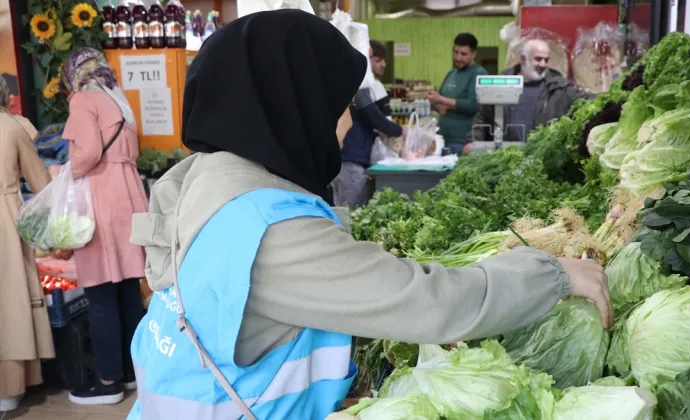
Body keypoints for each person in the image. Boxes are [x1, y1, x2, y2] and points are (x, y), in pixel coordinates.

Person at [128, 10, 612, 420]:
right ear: (294, 107)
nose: (345, 123)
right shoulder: (267, 231)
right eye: (339, 106)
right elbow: (430, 303)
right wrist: (552, 274)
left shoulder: (205, 180)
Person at [59, 48, 148, 405]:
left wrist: (66, 172)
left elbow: (87, 152)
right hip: (128, 196)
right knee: (127, 289)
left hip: (100, 199)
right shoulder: (118, 99)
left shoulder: (83, 99)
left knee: (99, 293)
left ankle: (108, 380)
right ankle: (130, 371)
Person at [0, 77, 55, 413]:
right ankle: (10, 386)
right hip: (6, 218)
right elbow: (41, 184)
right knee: (10, 300)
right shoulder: (12, 128)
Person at [466, 39, 593, 150]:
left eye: (546, 60)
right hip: (505, 159)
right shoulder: (503, 82)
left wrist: (609, 97)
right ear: (523, 59)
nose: (543, 64)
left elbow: (586, 99)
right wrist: (472, 141)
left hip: (542, 160)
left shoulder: (558, 87)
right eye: (538, 59)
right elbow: (483, 116)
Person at [332, 45, 404, 208]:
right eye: (372, 57)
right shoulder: (356, 86)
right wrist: (398, 130)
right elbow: (373, 116)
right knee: (350, 210)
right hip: (351, 158)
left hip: (347, 157)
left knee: (343, 207)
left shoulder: (345, 82)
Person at [427, 33, 487, 156]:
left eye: (463, 54)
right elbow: (440, 102)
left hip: (463, 143)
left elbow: (473, 105)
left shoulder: (479, 74)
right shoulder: (451, 74)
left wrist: (442, 100)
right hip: (443, 140)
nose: (458, 57)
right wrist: (437, 105)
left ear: (473, 54)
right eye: (456, 52)